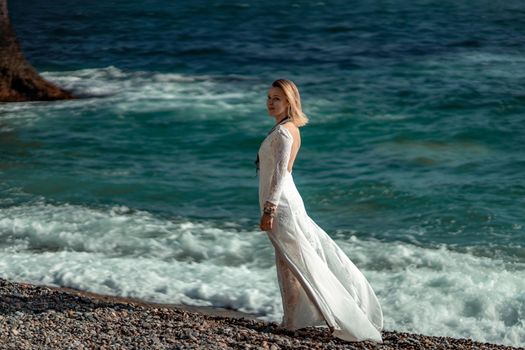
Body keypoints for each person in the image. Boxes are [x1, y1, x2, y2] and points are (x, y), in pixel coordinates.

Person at [256, 79, 383, 342]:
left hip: (281, 205)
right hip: (285, 201)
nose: (270, 102)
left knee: (295, 263)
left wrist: (269, 210)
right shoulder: (288, 128)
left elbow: (281, 173)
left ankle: (320, 318)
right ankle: (295, 319)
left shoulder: (283, 132)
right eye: (269, 97)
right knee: (294, 262)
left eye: (276, 98)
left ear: (289, 102)